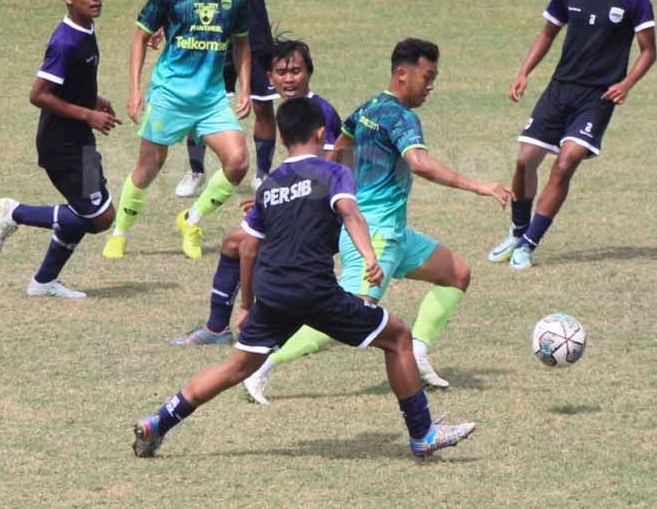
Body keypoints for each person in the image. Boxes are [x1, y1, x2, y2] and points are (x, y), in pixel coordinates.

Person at [132, 97, 475, 459]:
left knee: (234, 367)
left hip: (272, 293)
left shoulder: (269, 185)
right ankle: (422, 433)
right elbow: (351, 214)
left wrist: (247, 306)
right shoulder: (333, 172)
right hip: (314, 290)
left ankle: (159, 422)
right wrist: (369, 256)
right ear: (321, 132)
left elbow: (248, 249)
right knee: (399, 337)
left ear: (281, 139)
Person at [241, 39, 512, 403]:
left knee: (456, 274)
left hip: (394, 233)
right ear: (403, 73)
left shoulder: (370, 107)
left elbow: (339, 148)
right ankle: (263, 364)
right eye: (427, 77)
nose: (431, 86)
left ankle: (416, 352)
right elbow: (419, 163)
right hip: (374, 233)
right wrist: (479, 186)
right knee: (349, 313)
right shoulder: (401, 116)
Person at [488, 0, 657, 271]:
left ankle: (530, 243)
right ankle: (517, 231)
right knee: (525, 160)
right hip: (559, 89)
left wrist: (626, 84)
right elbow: (548, 34)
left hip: (597, 97)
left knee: (566, 162)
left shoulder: (634, 1)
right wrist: (524, 72)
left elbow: (648, 51)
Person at [168, 36, 342, 346]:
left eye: (296, 71)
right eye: (281, 71)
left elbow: (331, 172)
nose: (289, 78)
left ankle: (244, 322)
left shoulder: (320, 112)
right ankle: (222, 327)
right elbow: (301, 170)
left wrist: (279, 201)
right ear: (270, 78)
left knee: (244, 245)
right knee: (236, 243)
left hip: (323, 216)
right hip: (303, 209)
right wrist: (271, 198)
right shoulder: (292, 110)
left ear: (309, 73)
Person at [101, 0, 252, 262]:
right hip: (169, 95)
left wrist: (244, 87)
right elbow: (141, 37)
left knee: (238, 161)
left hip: (211, 99)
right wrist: (136, 90)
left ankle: (191, 220)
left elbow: (242, 44)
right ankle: (120, 232)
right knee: (148, 168)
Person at [0, 0, 121, 298]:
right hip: (62, 147)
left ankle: (43, 281)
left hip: (83, 141)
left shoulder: (86, 28)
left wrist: (93, 100)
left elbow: (71, 85)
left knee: (95, 211)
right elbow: (39, 94)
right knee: (100, 217)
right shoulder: (65, 42)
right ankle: (16, 212)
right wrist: (88, 114)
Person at [159, 0, 295, 199]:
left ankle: (262, 172)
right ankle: (196, 171)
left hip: (253, 37)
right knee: (198, 107)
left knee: (263, 106)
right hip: (208, 43)